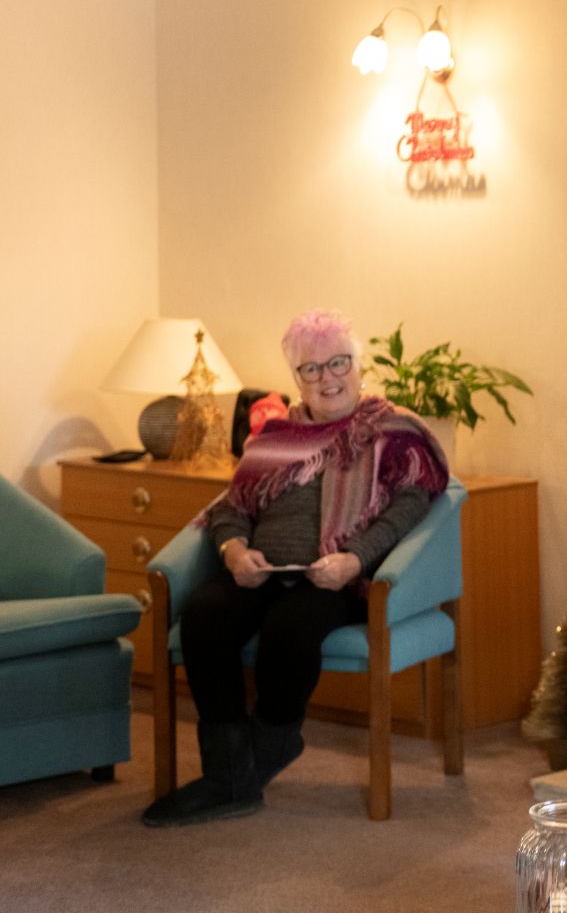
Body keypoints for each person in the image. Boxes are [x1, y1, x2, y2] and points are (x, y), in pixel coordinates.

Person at [142, 309, 449, 827]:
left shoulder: (393, 433)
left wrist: (354, 557)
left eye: (338, 363)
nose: (327, 377)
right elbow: (232, 506)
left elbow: (409, 508)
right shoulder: (274, 437)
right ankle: (231, 774)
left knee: (292, 625)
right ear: (297, 379)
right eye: (311, 369)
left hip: (337, 576)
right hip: (262, 570)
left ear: (358, 366)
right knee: (204, 614)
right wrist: (234, 551)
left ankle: (265, 746)